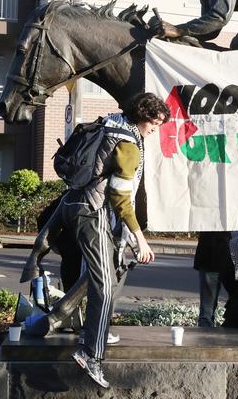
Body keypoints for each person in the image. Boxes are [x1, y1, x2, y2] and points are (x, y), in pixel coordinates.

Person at [67, 93, 170, 388]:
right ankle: (91, 354)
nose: (156, 127)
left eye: (160, 122)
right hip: (92, 212)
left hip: (76, 203)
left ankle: (96, 332)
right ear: (142, 115)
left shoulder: (111, 122)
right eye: (154, 121)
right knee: (105, 283)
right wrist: (140, 239)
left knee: (105, 276)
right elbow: (121, 199)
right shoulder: (129, 144)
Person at [193, 231, 231, 327]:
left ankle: (206, 338)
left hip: (210, 253)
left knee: (206, 314)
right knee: (206, 314)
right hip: (215, 253)